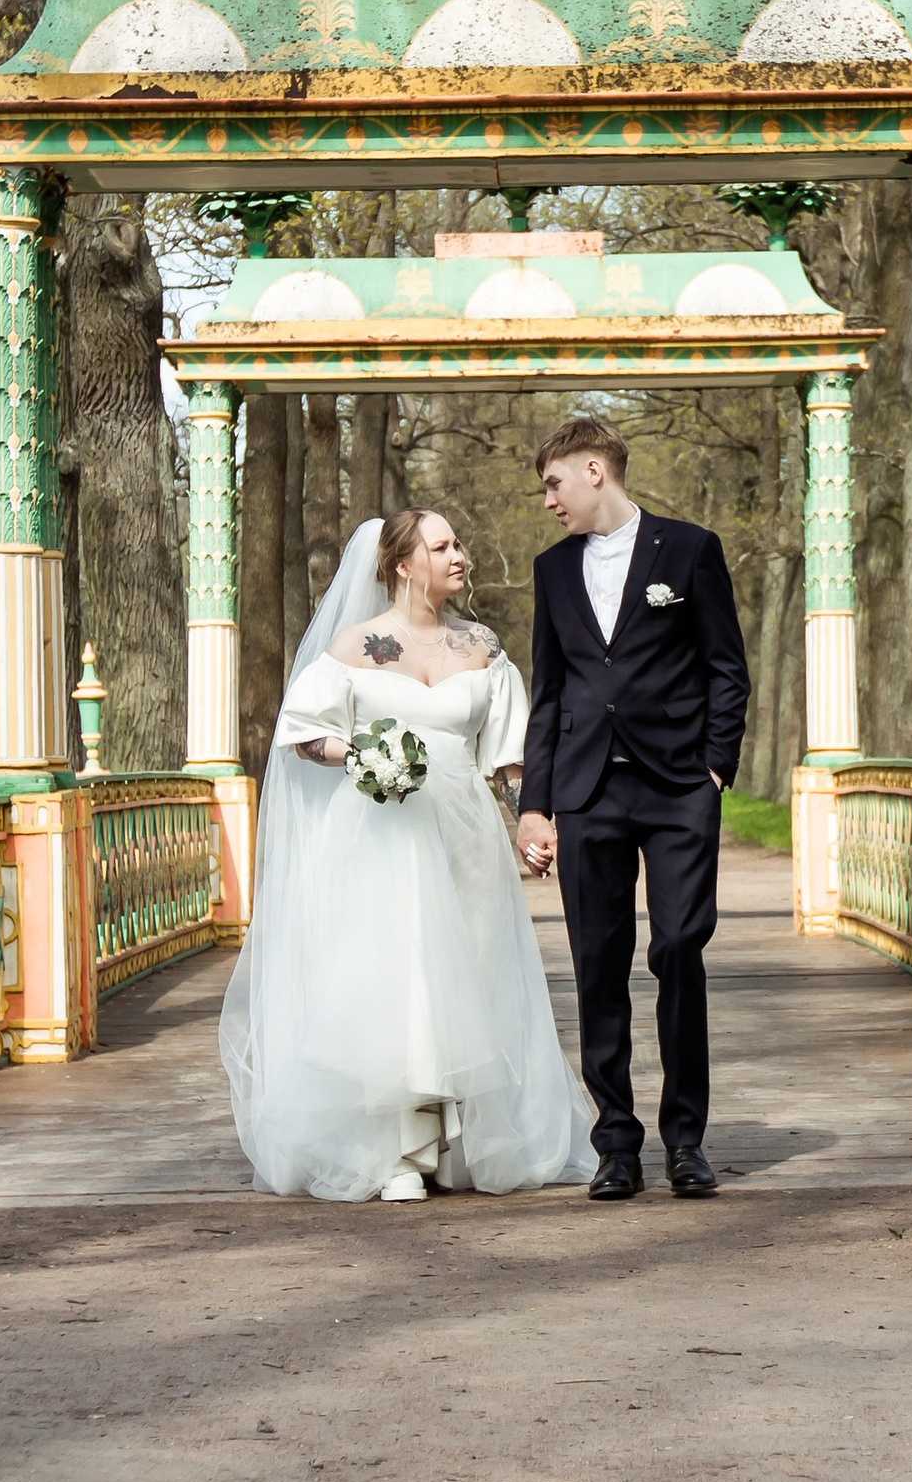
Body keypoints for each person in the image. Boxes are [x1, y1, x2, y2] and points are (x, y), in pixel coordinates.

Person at [219, 508, 584, 1202]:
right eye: (442, 546)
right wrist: (361, 754)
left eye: (459, 543)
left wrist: (531, 823)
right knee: (395, 983)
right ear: (402, 565)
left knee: (468, 978)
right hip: (381, 833)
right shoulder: (355, 646)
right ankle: (393, 1153)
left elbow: (508, 758)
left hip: (463, 833)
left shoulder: (480, 646)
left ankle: (451, 1146)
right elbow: (304, 734)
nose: (460, 556)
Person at [515, 412, 752, 1200]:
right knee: (597, 968)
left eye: (553, 482)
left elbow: (727, 668)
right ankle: (617, 1140)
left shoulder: (689, 550)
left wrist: (717, 767)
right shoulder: (553, 571)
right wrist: (535, 805)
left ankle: (687, 1140)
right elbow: (548, 695)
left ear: (593, 470)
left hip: (680, 784)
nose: (548, 499)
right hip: (587, 792)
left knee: (680, 947)